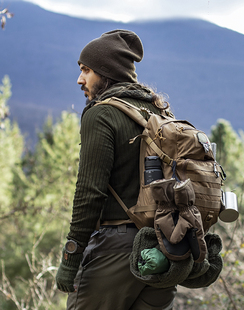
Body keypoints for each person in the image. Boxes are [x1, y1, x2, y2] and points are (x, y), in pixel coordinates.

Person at [55, 29, 177, 309]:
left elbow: (90, 193)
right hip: (164, 250)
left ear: (106, 72)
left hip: (117, 250)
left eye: (87, 70)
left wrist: (70, 258)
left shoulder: (102, 113)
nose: (80, 79)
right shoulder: (159, 111)